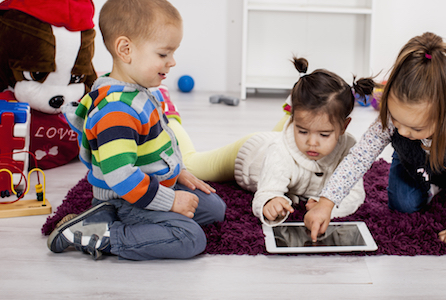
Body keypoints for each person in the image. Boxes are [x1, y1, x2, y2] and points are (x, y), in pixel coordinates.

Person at [304, 32, 446, 245]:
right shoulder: (394, 110)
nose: (403, 132)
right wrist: (327, 202)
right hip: (414, 162)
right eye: (398, 121)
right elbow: (359, 157)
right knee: (402, 204)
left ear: (445, 115)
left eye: (415, 127)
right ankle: (433, 185)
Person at [47, 0, 226, 260]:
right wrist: (172, 201)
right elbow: (120, 176)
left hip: (152, 183)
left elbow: (158, 143)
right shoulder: (116, 112)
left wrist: (178, 172)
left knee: (213, 208)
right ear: (125, 49)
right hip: (126, 197)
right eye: (164, 54)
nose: (172, 62)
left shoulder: (136, 91)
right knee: (190, 238)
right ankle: (99, 233)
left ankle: (118, 220)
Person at [168, 57, 374, 226]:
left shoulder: (349, 149)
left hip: (279, 139)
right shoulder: (280, 152)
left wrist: (327, 205)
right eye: (303, 131)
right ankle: (168, 114)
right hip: (249, 154)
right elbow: (266, 192)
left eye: (324, 135)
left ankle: (293, 117)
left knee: (288, 137)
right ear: (294, 122)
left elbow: (354, 194)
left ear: (344, 127)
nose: (312, 143)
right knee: (191, 163)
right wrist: (271, 202)